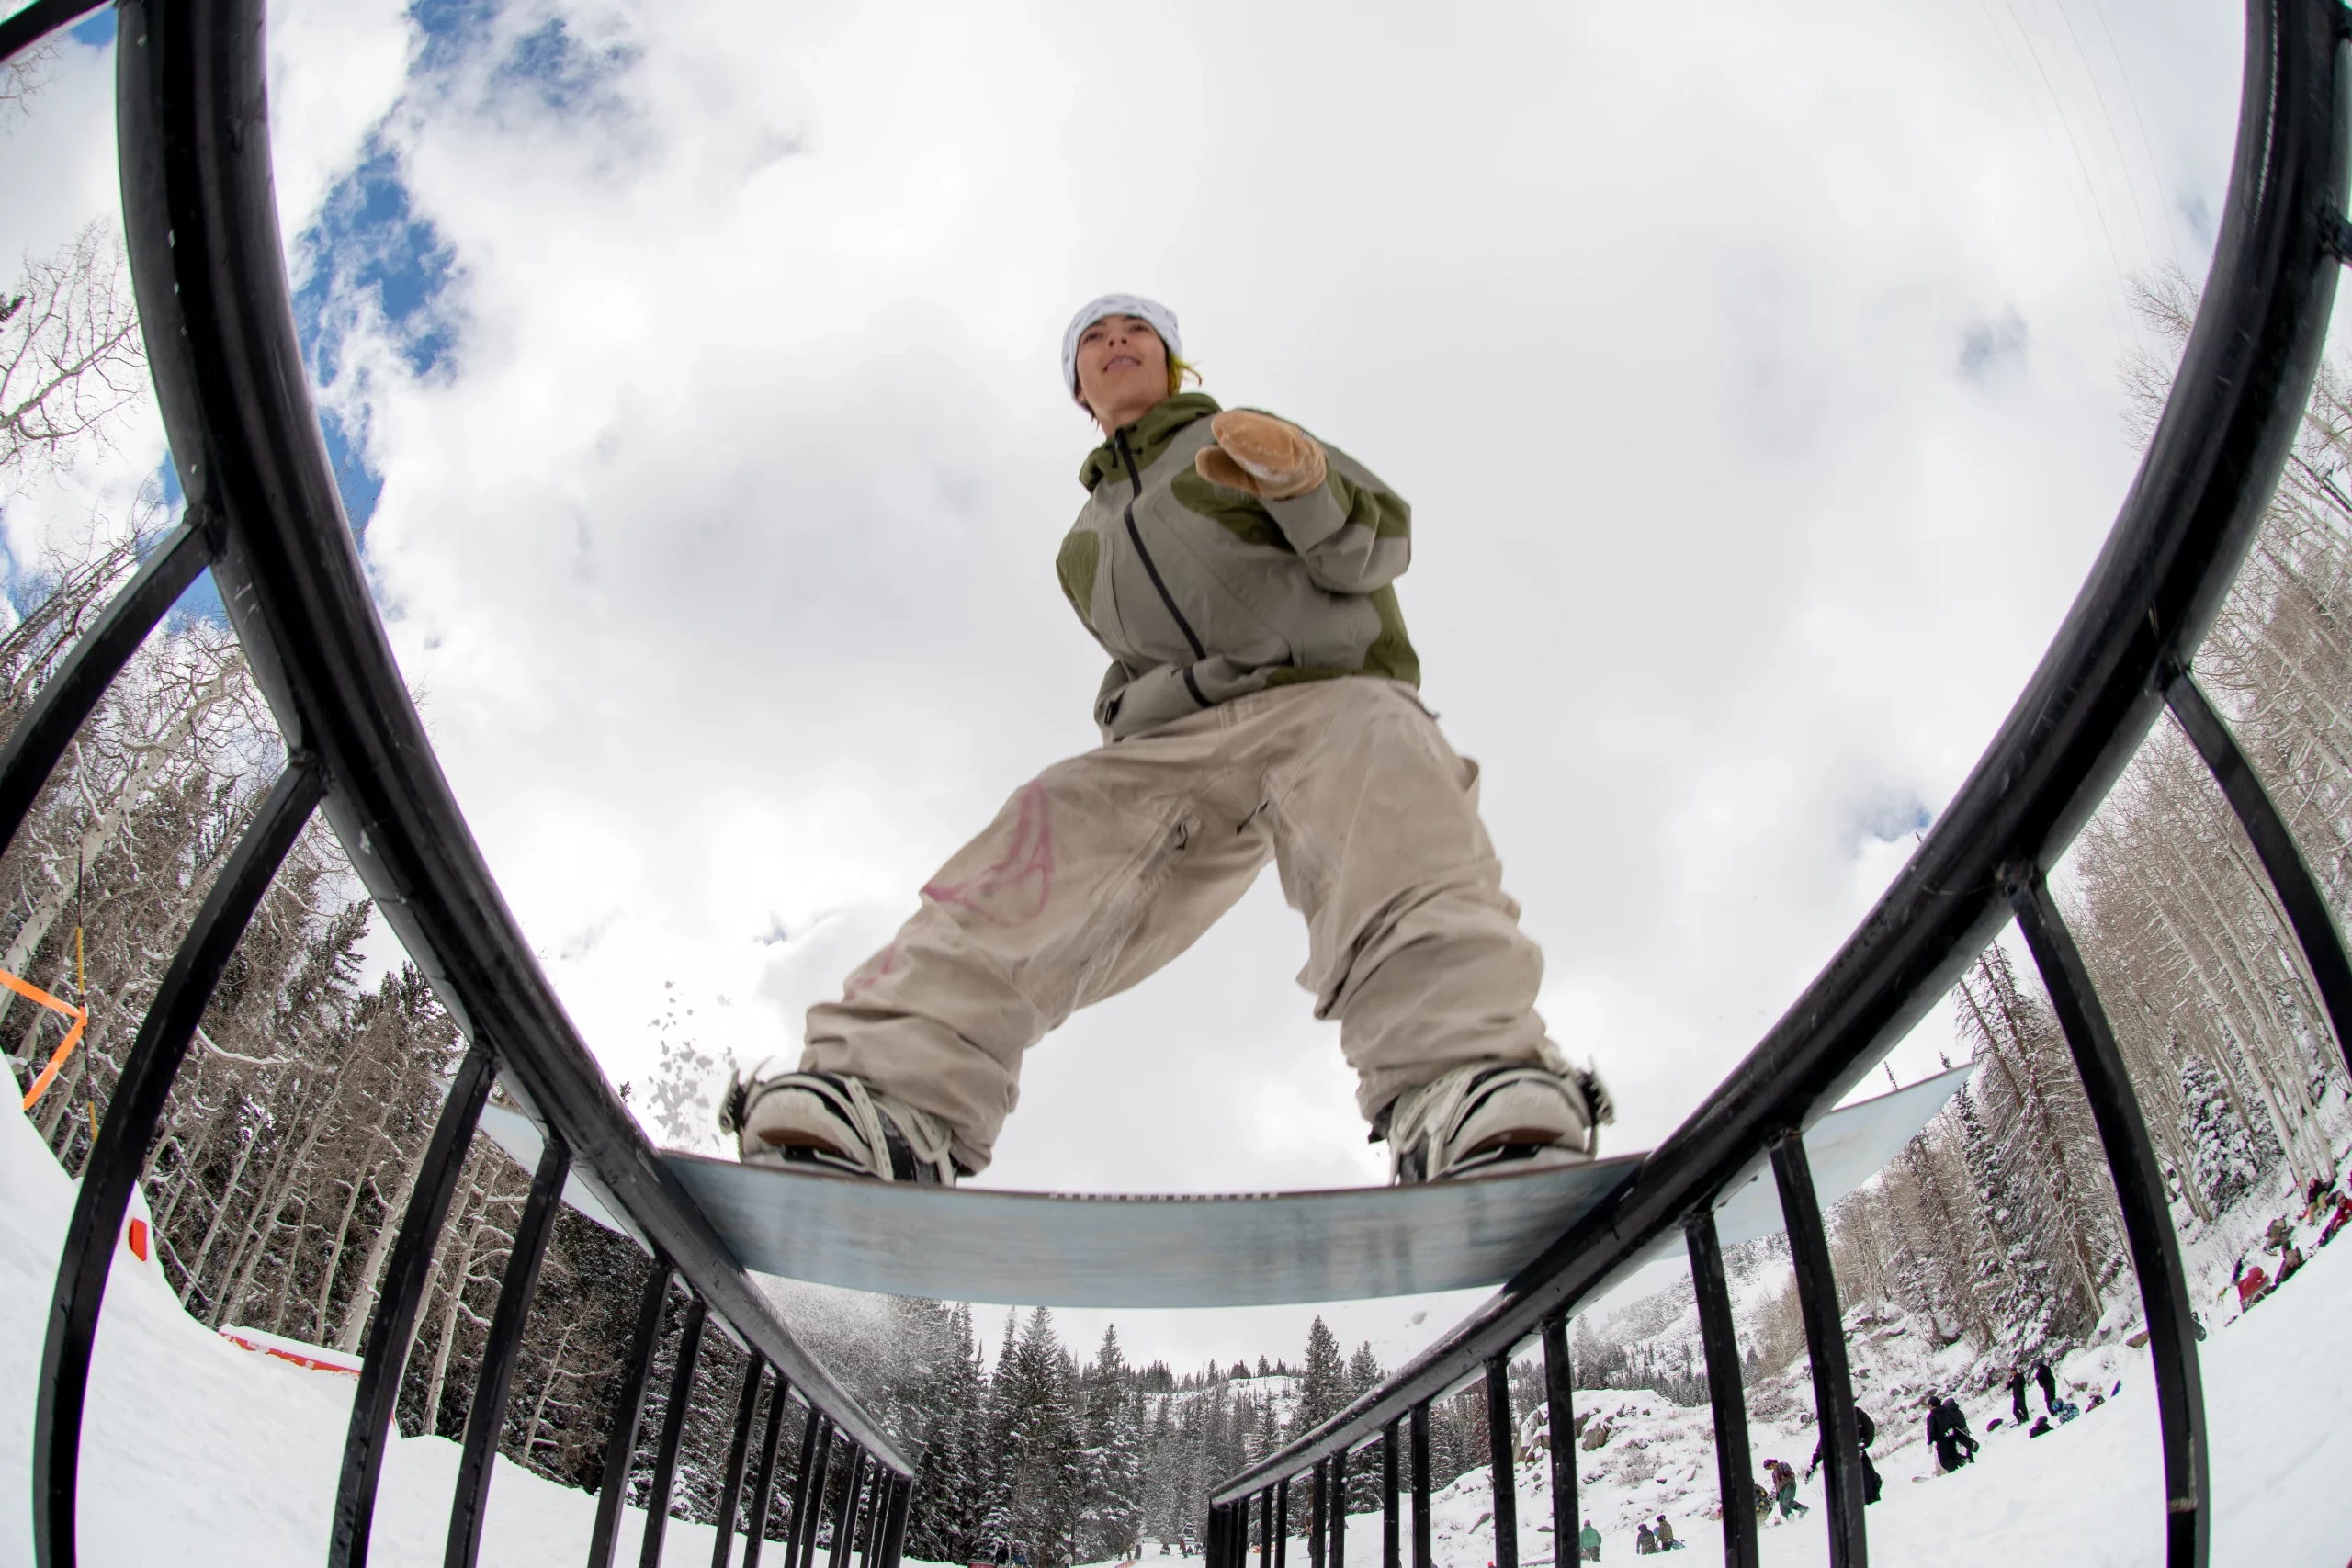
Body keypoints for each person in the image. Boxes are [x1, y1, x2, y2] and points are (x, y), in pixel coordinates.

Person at [723, 295, 1614, 1186]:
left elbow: (1371, 550)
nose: (1117, 344)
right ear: (1077, 387)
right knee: (1050, 816)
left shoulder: (1236, 435)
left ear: (1172, 361)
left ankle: (1462, 1076)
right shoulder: (1083, 544)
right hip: (1175, 741)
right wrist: (1125, 727)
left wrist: (1303, 483)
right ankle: (887, 1093)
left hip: (1322, 700)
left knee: (1385, 763)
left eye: (1136, 332)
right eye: (1094, 341)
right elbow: (1135, 659)